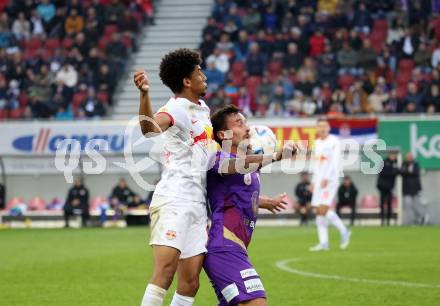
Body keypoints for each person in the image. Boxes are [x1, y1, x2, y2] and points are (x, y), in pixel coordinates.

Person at [204, 105, 297, 306]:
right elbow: (238, 166)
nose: (247, 128)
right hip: (224, 248)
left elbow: (239, 195)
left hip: (235, 248)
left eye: (245, 122)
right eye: (239, 123)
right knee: (256, 303)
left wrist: (266, 202)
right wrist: (276, 156)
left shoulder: (248, 164)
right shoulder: (219, 159)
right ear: (223, 134)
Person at [310, 118, 351, 251]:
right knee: (318, 212)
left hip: (330, 181)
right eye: (319, 126)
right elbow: (316, 164)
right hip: (318, 181)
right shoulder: (316, 143)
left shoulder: (334, 141)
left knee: (323, 209)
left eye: (324, 126)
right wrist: (313, 181)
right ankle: (324, 243)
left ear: (329, 128)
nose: (322, 129)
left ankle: (344, 231)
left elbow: (335, 161)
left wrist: (327, 177)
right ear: (317, 128)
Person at [376, 151, 399, 226]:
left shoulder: (396, 163)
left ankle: (388, 221)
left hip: (390, 187)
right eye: (392, 155)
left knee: (389, 203)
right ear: (389, 155)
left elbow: (398, 171)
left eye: (394, 155)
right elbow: (382, 172)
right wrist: (392, 172)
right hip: (382, 186)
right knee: (382, 203)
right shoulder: (384, 162)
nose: (393, 156)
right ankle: (382, 220)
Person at [401, 152, 423, 225]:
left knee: (416, 206)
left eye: (411, 156)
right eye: (408, 157)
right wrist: (409, 172)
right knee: (408, 206)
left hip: (415, 189)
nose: (409, 158)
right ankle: (409, 222)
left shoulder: (416, 164)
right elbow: (402, 172)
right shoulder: (404, 164)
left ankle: (420, 218)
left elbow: (415, 173)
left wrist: (408, 173)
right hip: (407, 189)